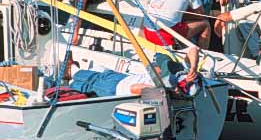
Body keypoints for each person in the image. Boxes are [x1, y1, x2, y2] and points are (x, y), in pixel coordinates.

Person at [68, 47, 201, 97]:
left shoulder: (165, 87)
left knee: (91, 82)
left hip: (117, 88)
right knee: (98, 77)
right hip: (123, 79)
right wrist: (193, 68)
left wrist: (163, 91)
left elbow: (135, 89)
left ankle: (70, 72)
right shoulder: (179, 72)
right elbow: (194, 50)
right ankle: (71, 70)